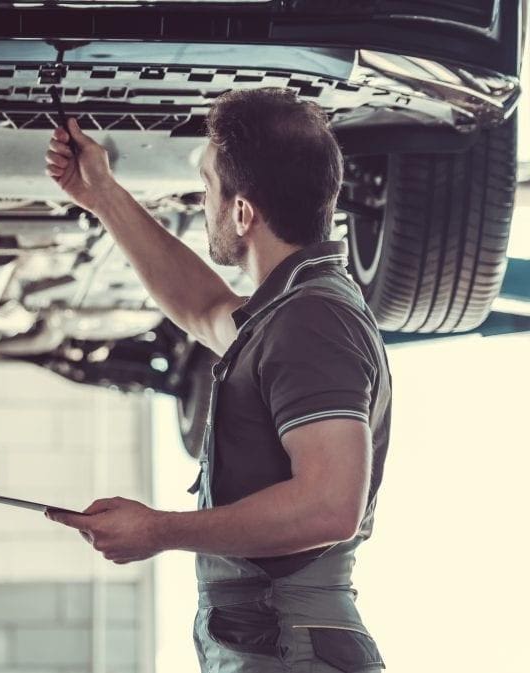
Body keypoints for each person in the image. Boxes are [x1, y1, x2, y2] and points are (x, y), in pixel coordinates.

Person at [43, 88, 390, 672]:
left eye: (207, 186)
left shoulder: (313, 321)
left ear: (242, 212)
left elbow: (330, 506)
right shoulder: (295, 310)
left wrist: (158, 530)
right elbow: (202, 306)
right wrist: (100, 193)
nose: (200, 200)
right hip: (276, 639)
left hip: (288, 645)